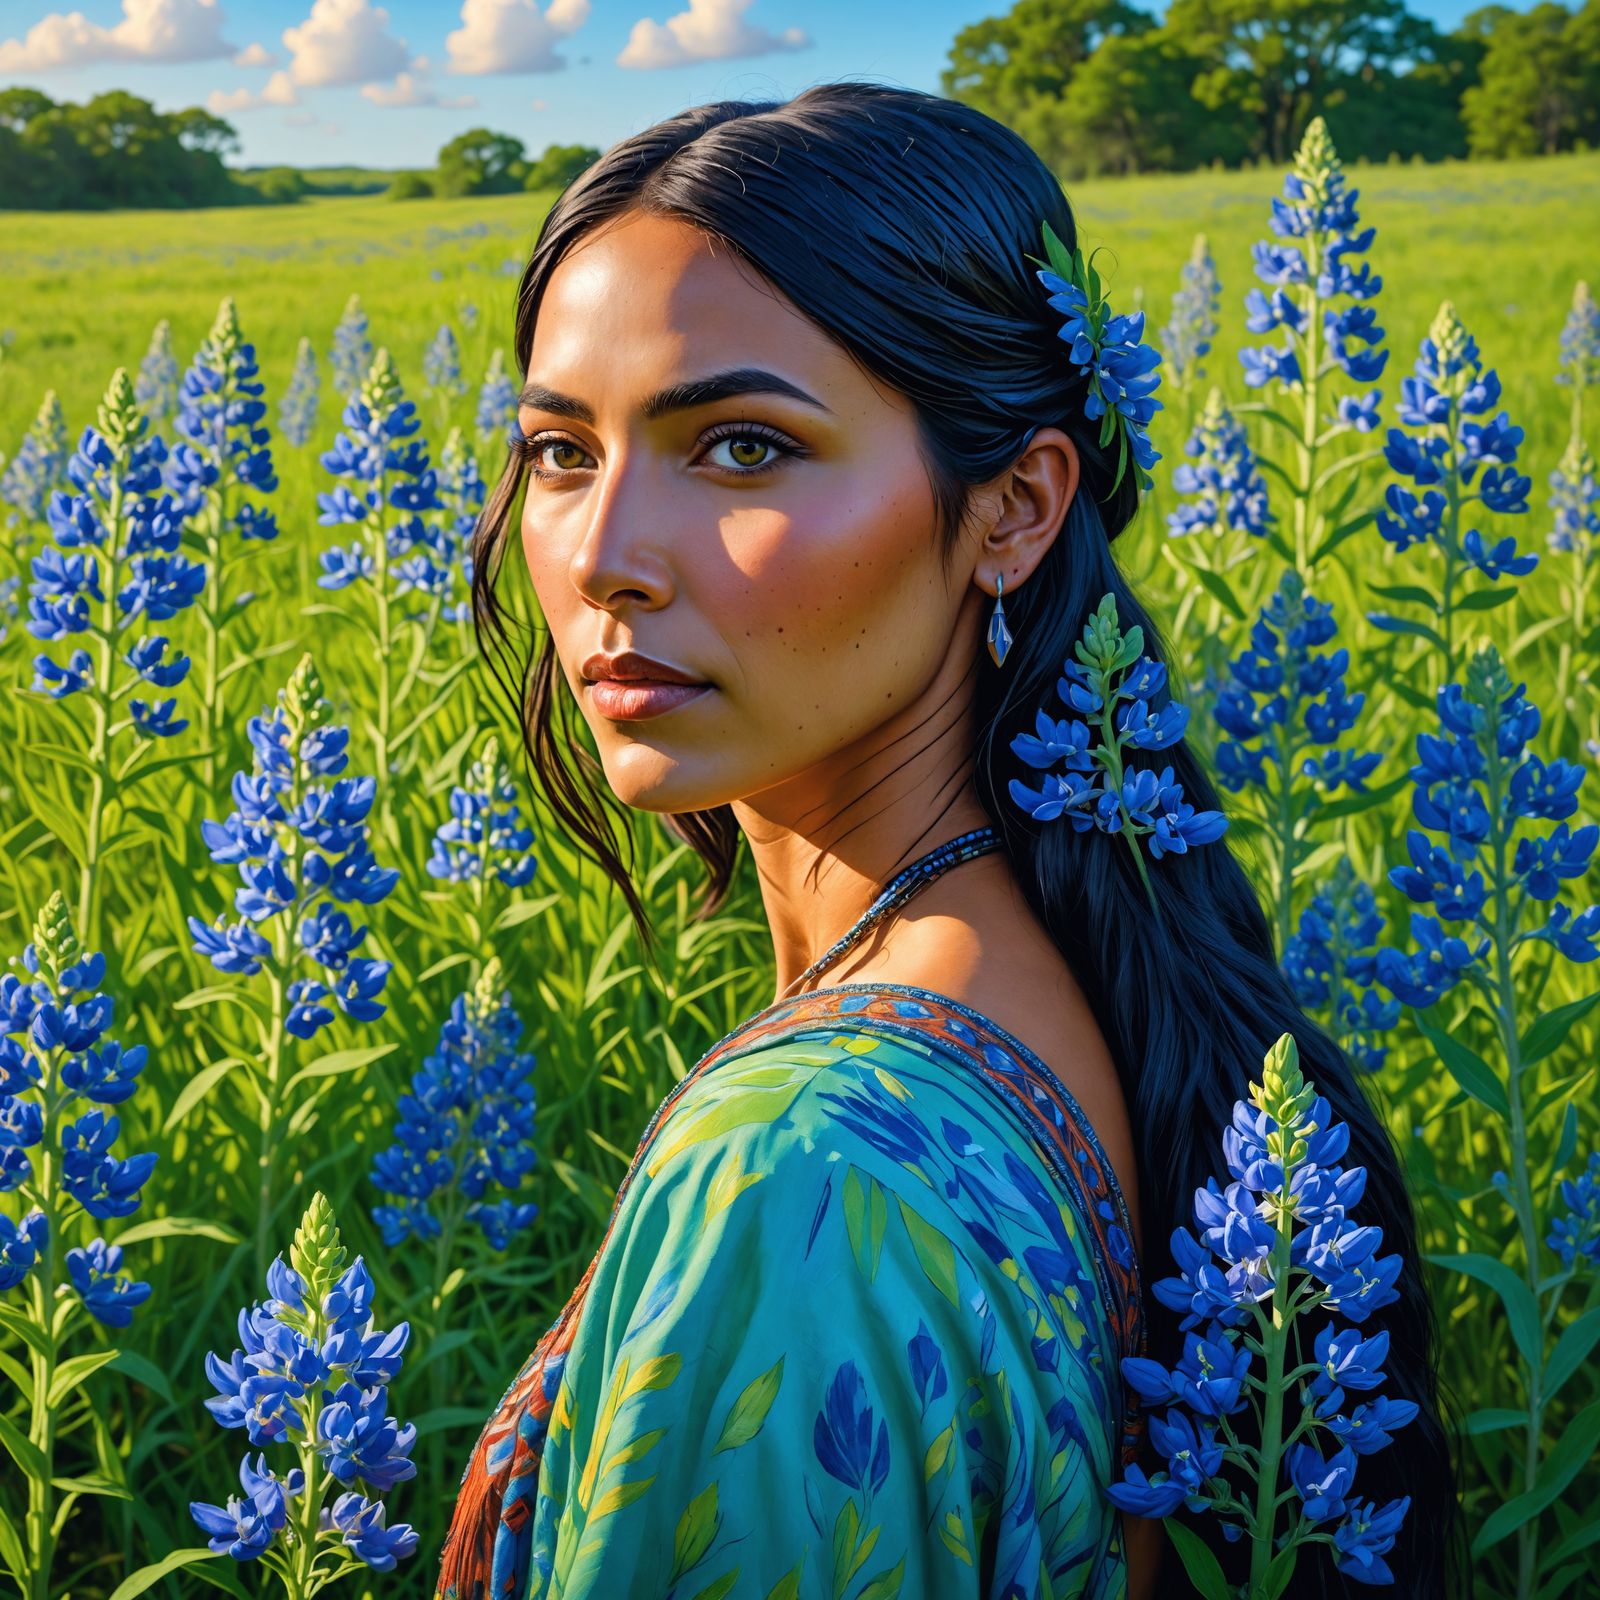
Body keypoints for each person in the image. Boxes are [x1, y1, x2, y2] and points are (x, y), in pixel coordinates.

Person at [436, 80, 1463, 1600]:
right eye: (562, 453)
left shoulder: (799, 1174)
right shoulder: (1079, 974)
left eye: (739, 449)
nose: (603, 560)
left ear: (1015, 507)